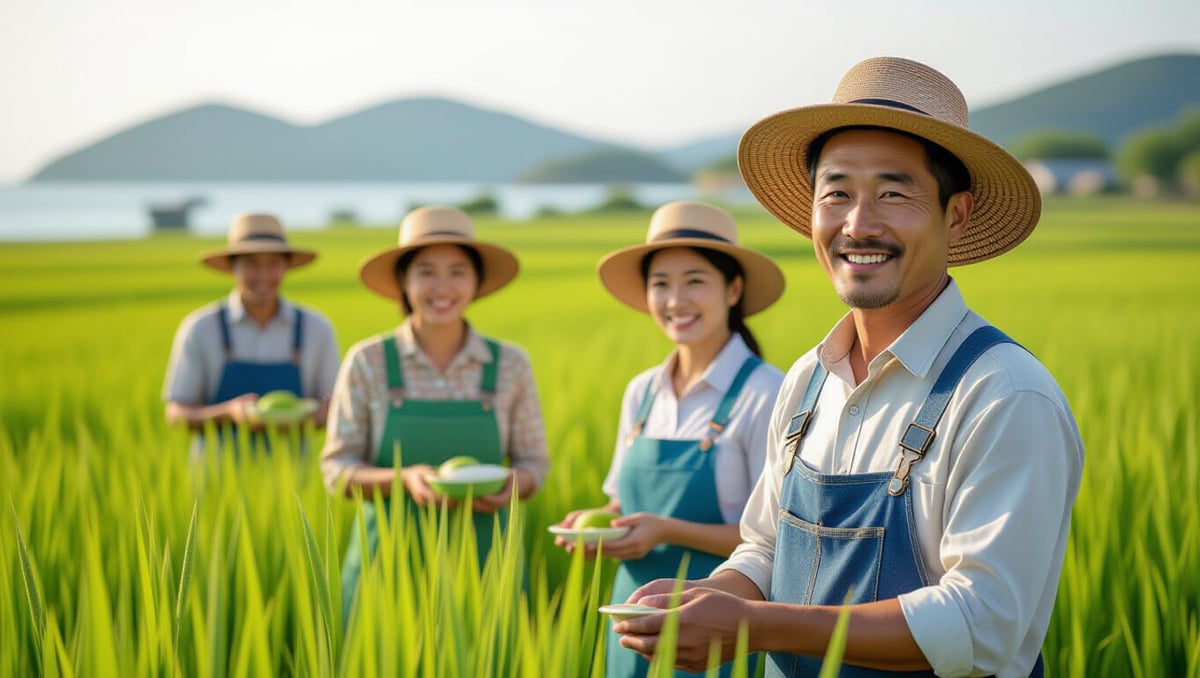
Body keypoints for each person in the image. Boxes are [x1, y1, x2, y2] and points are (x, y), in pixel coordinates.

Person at [615, 57, 1085, 677]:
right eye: (836, 193)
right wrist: (708, 598)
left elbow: (984, 624)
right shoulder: (808, 380)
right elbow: (763, 546)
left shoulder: (1004, 395)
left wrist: (757, 626)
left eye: (894, 193)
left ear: (956, 213)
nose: (858, 224)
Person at [555, 201, 787, 678]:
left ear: (733, 288)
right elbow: (621, 506)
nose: (675, 299)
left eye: (695, 280)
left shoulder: (767, 392)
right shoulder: (642, 392)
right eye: (661, 283)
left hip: (716, 627)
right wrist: (597, 528)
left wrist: (665, 530)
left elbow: (775, 541)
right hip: (630, 619)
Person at [321, 205, 550, 618]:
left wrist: (516, 481)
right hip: (386, 564)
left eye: (457, 271)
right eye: (426, 271)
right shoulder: (368, 361)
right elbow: (336, 469)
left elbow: (535, 463)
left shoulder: (510, 364)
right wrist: (403, 478)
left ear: (476, 282)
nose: (442, 286)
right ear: (403, 283)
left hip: (487, 563)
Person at [163, 212, 340, 453]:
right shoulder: (201, 328)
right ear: (232, 267)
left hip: (296, 482)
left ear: (286, 266)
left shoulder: (316, 328)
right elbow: (176, 414)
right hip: (215, 480)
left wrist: (316, 415)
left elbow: (334, 404)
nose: (263, 276)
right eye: (251, 264)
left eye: (273, 264)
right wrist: (228, 413)